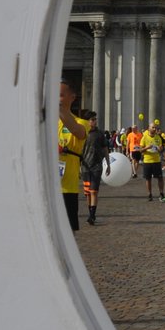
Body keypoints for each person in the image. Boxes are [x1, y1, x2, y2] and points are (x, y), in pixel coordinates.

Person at [57, 82, 88, 232]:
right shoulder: (47, 122)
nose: (57, 98)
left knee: (68, 232)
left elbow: (78, 132)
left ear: (72, 97)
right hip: (47, 185)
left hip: (67, 187)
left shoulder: (81, 122)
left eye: (61, 95)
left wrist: (60, 111)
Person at [79, 111, 110, 225]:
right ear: (87, 121)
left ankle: (92, 215)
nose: (95, 121)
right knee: (87, 193)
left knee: (94, 191)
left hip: (96, 166)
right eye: (92, 119)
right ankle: (90, 212)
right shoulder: (82, 133)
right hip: (85, 166)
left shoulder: (100, 134)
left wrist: (108, 165)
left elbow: (105, 149)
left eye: (95, 119)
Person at [138, 119, 164, 200]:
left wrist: (159, 149)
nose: (154, 129)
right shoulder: (144, 137)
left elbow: (161, 149)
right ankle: (149, 194)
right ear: (148, 128)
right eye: (153, 127)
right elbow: (140, 150)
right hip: (147, 161)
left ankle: (161, 193)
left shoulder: (158, 137)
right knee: (148, 178)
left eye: (155, 128)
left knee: (160, 178)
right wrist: (147, 147)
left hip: (156, 160)